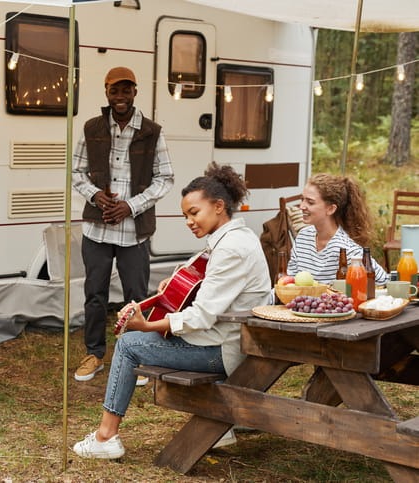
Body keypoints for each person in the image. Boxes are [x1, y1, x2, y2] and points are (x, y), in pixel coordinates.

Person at [72, 162, 271, 459]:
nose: (189, 221)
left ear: (219, 206)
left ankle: (106, 437)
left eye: (194, 213)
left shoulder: (230, 248)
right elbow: (199, 276)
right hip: (232, 339)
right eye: (185, 216)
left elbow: (201, 316)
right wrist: (175, 280)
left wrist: (149, 327)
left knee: (128, 345)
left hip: (225, 350)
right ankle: (221, 430)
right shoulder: (236, 237)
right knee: (137, 341)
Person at [71, 66, 174, 382]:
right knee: (94, 294)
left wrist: (130, 206)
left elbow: (165, 178)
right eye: (115, 90)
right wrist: (96, 198)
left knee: (136, 295)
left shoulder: (152, 131)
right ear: (106, 92)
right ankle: (94, 354)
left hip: (134, 229)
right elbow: (76, 173)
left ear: (135, 92)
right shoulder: (91, 128)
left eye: (126, 90)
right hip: (97, 228)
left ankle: (138, 353)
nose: (120, 97)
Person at [287, 173, 388, 285]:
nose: (302, 206)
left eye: (310, 202)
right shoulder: (303, 237)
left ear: (330, 209)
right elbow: (290, 281)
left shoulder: (346, 248)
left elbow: (382, 280)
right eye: (302, 199)